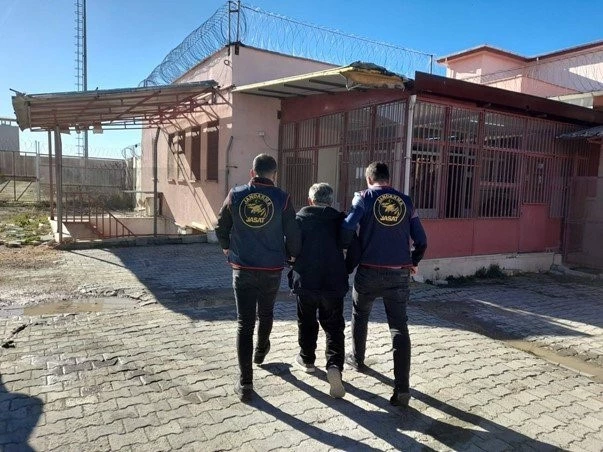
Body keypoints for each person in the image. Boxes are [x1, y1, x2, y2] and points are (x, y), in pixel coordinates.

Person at [215, 153, 301, 402]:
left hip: (242, 268)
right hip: (271, 269)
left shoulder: (236, 194)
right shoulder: (283, 198)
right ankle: (261, 351)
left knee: (244, 323)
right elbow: (293, 232)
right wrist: (292, 256)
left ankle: (245, 383)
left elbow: (221, 225)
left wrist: (225, 247)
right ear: (275, 174)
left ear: (252, 173)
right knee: (266, 313)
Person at [341, 161, 427, 408]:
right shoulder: (406, 202)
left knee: (360, 315)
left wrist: (348, 250)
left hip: (368, 271)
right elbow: (422, 240)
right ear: (388, 179)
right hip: (399, 273)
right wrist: (413, 261)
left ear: (369, 179)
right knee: (399, 328)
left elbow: (347, 227)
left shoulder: (363, 198)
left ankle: (357, 359)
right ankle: (402, 388)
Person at [288, 183, 348, 398]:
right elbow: (354, 247)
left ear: (310, 200)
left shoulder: (299, 219)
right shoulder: (341, 221)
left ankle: (307, 359)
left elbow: (290, 247)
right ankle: (334, 365)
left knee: (306, 321)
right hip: (333, 282)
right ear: (330, 201)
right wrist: (345, 268)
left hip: (306, 280)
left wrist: (292, 264)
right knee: (334, 326)